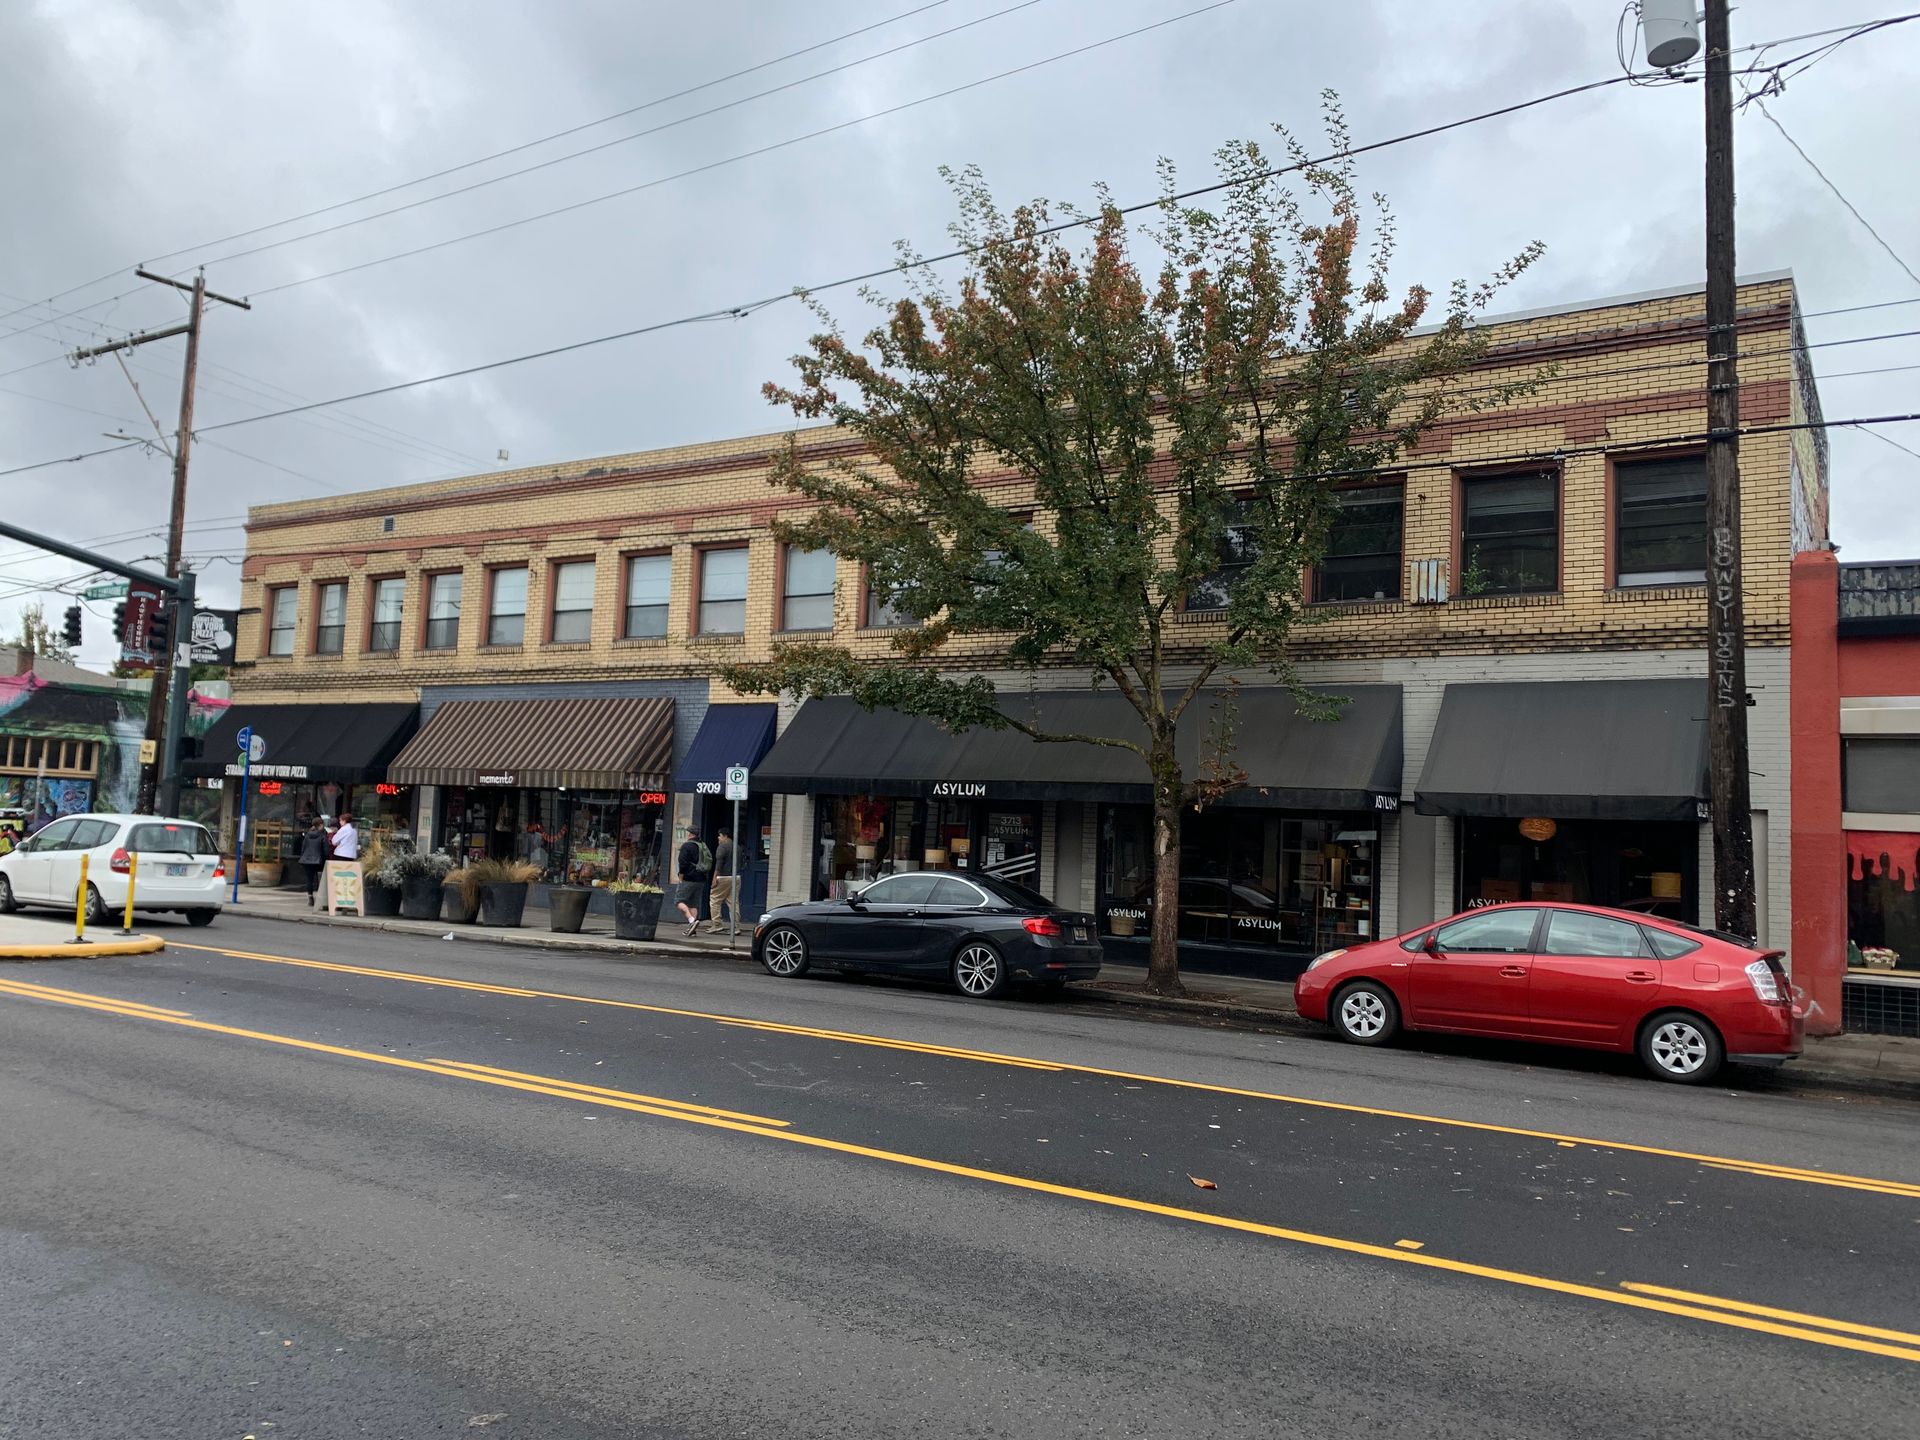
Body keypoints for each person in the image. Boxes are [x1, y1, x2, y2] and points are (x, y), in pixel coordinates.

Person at [674, 830, 708, 937]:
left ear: (691, 835)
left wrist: (681, 875)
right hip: (701, 879)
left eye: (688, 833)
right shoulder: (703, 846)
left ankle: (691, 920)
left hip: (689, 878)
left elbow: (682, 862)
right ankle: (692, 929)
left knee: (678, 901)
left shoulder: (687, 846)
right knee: (694, 903)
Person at [707, 827, 736, 934]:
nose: (718, 838)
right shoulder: (737, 846)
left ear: (725, 836)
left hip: (723, 876)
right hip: (736, 876)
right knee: (733, 902)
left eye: (719, 835)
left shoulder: (722, 847)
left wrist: (714, 878)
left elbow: (719, 864)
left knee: (714, 900)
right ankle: (736, 927)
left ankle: (717, 925)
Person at [298, 816, 329, 907]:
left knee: (309, 879)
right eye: (322, 824)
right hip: (319, 860)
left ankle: (310, 898)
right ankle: (321, 899)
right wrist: (326, 857)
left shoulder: (307, 835)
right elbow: (326, 850)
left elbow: (303, 848)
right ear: (320, 825)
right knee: (321, 880)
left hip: (306, 860)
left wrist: (303, 857)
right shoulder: (323, 835)